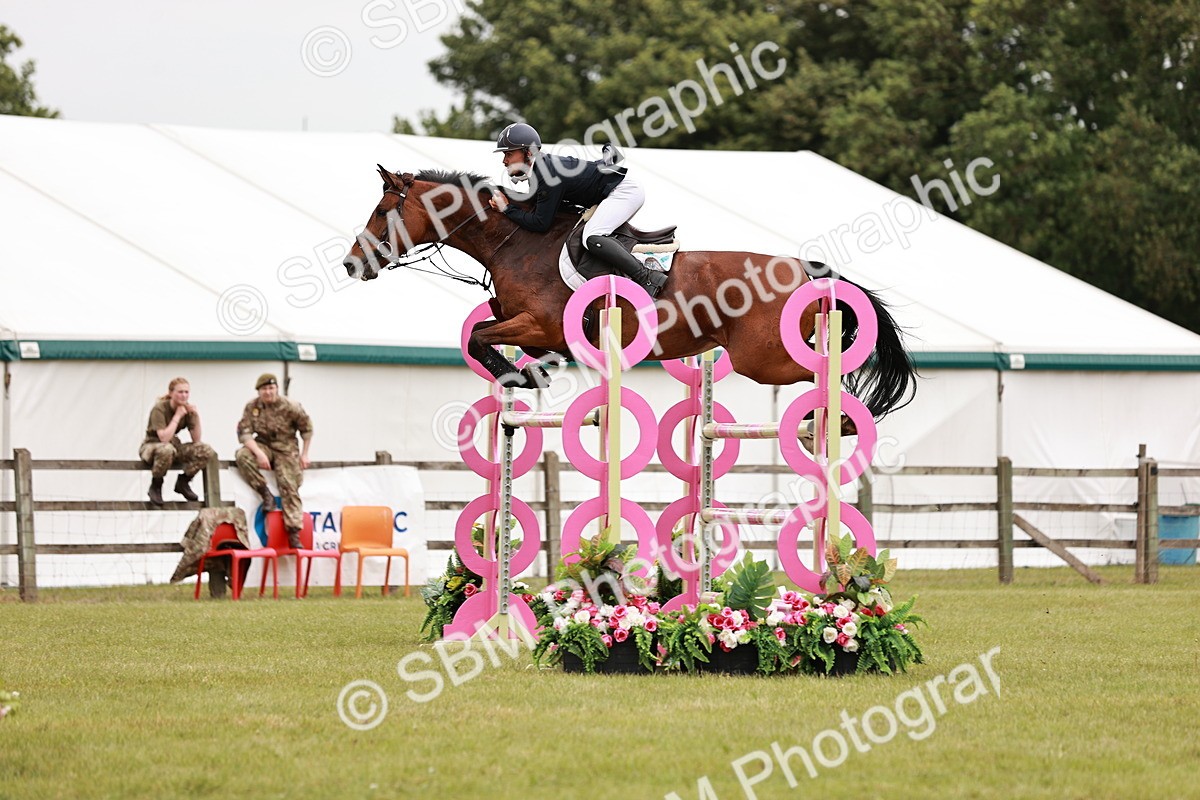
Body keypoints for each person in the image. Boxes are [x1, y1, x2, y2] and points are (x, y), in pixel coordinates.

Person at [487, 122, 668, 296]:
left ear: (528, 152)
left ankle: (647, 277)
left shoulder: (547, 172)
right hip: (614, 191)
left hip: (624, 192)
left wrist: (506, 209)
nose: (504, 161)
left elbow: (541, 223)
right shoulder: (541, 169)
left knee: (591, 236)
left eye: (509, 154)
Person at [234, 373, 313, 549]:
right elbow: (244, 434)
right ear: (258, 391)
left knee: (288, 484)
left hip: (286, 448)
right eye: (264, 389)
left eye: (271, 388)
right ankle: (265, 493)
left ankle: (293, 532)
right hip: (264, 445)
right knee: (242, 456)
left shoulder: (290, 406)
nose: (268, 392)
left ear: (276, 389)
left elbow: (306, 429)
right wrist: (259, 453)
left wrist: (305, 454)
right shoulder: (252, 407)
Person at [139, 377, 216, 506]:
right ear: (171, 393)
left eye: (186, 392)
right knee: (166, 449)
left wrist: (196, 416)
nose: (184, 395)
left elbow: (196, 439)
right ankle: (156, 485)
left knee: (206, 450)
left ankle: (184, 481)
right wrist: (177, 416)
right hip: (152, 446)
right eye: (180, 392)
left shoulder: (186, 409)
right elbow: (163, 438)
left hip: (172, 446)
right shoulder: (160, 409)